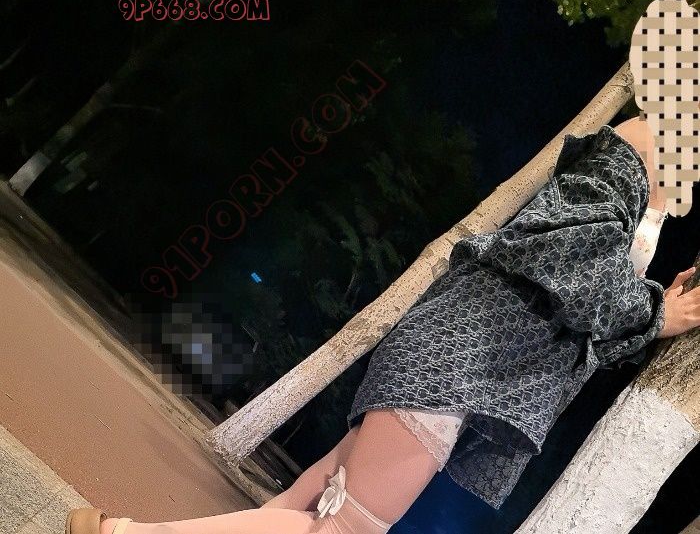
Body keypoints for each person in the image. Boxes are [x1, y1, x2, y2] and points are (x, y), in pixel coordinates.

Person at [67, 116, 700, 534]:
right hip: (460, 360)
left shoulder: (654, 165)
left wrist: (649, 310)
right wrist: (654, 314)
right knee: (347, 525)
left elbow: (577, 294)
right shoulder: (637, 148)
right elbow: (575, 258)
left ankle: (115, 531)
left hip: (466, 360)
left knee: (303, 506)